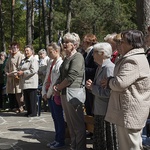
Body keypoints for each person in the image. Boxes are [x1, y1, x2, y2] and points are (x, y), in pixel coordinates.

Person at [102, 30, 150, 150]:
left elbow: (120, 83)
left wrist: (109, 82)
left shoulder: (132, 60)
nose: (119, 44)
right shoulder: (133, 57)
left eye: (122, 42)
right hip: (128, 109)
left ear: (132, 43)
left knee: (130, 146)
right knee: (129, 144)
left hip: (129, 110)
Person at [53, 32, 86, 150]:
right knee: (70, 125)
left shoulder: (78, 57)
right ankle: (73, 146)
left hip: (73, 94)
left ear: (75, 45)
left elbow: (71, 76)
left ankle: (80, 147)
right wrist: (56, 85)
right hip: (64, 93)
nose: (64, 44)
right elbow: (62, 75)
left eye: (68, 42)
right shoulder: (67, 58)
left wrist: (59, 87)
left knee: (77, 124)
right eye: (64, 42)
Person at [86, 42, 118, 150]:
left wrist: (92, 88)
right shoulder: (100, 67)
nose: (92, 55)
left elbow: (109, 92)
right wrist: (92, 87)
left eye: (95, 52)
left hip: (106, 112)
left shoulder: (109, 68)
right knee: (100, 141)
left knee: (106, 141)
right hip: (100, 111)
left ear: (102, 53)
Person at [42, 42, 65, 149]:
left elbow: (55, 80)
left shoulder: (60, 63)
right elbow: (47, 78)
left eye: (50, 52)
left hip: (54, 94)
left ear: (56, 51)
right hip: (48, 93)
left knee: (59, 117)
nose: (48, 54)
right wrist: (43, 92)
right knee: (54, 118)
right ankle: (56, 139)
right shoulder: (51, 62)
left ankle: (60, 140)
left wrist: (48, 94)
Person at [17, 45, 39, 117]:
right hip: (24, 82)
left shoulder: (34, 60)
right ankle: (29, 111)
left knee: (32, 98)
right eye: (25, 51)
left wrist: (23, 72)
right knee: (27, 98)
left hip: (31, 82)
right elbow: (20, 67)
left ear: (32, 51)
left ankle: (33, 112)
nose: (26, 52)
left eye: (27, 51)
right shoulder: (23, 60)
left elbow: (33, 70)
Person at [5, 42, 24, 113]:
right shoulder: (10, 56)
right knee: (13, 93)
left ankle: (21, 106)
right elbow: (6, 66)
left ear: (18, 48)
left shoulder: (20, 56)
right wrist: (7, 72)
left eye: (15, 48)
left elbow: (21, 67)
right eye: (12, 48)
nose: (13, 49)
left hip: (17, 77)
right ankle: (16, 106)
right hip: (10, 78)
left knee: (19, 93)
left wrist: (14, 73)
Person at [82, 33, 98, 116]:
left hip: (92, 83)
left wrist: (82, 70)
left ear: (89, 42)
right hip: (86, 85)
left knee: (91, 109)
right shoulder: (85, 53)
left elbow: (96, 69)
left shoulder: (93, 53)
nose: (82, 44)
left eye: (84, 42)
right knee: (88, 108)